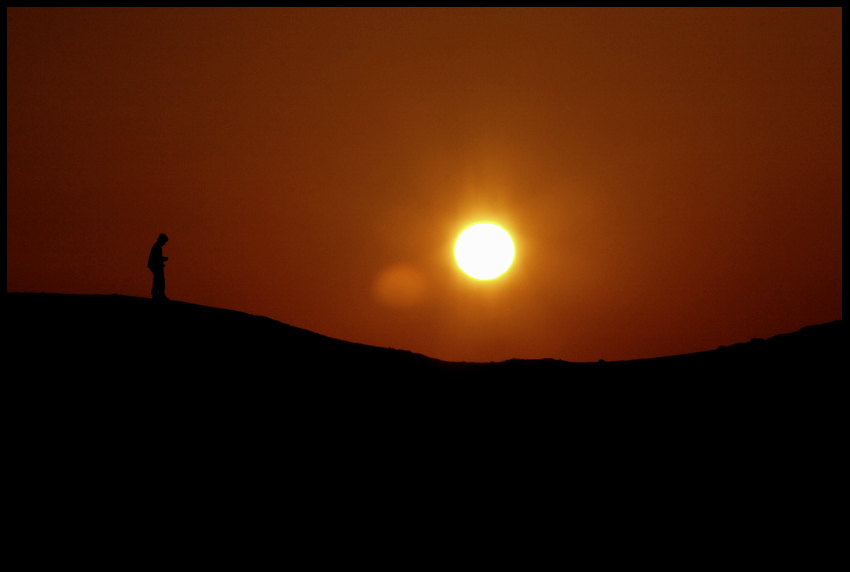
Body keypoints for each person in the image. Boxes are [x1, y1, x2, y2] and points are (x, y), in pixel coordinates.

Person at [148, 233, 169, 300]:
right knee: (160, 279)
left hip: (155, 265)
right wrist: (163, 259)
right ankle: (159, 294)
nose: (164, 243)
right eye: (164, 241)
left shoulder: (157, 247)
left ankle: (158, 293)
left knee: (158, 279)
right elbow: (156, 258)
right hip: (155, 266)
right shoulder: (157, 247)